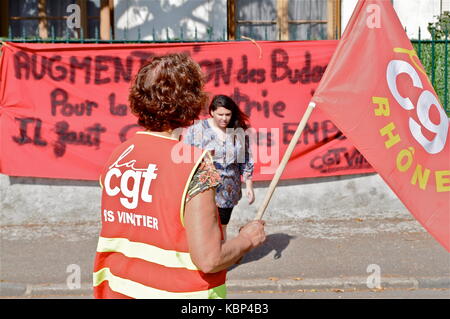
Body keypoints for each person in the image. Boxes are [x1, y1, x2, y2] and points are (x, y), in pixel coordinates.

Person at [92, 53, 265, 299]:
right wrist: (247, 238)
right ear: (192, 102)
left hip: (118, 290)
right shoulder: (194, 165)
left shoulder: (119, 154)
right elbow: (209, 259)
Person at [184, 95, 254, 240]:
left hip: (228, 188)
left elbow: (245, 159)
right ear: (212, 112)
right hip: (204, 186)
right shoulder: (197, 130)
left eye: (228, 114)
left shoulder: (237, 130)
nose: (224, 118)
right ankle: (204, 255)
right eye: (220, 114)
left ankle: (221, 254)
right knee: (204, 224)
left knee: (222, 225)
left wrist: (249, 186)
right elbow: (185, 157)